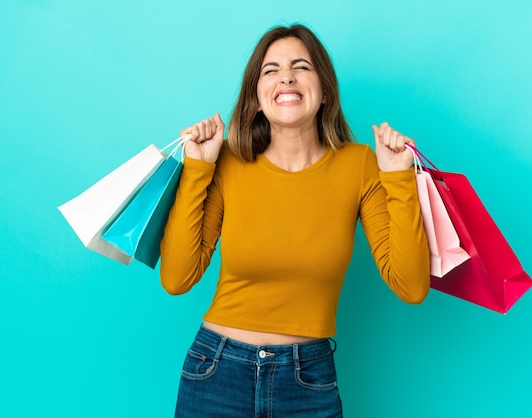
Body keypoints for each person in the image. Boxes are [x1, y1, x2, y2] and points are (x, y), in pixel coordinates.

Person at [159, 24, 430, 418]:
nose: (286, 76)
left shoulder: (361, 166)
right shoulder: (228, 163)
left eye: (300, 66)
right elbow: (176, 279)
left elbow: (411, 286)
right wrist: (198, 167)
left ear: (324, 92)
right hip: (216, 371)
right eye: (271, 70)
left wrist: (398, 177)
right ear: (256, 98)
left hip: (309, 380)